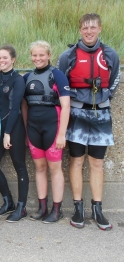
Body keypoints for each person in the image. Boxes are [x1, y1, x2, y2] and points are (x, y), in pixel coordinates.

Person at [57, 13, 120, 230]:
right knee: (76, 161)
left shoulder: (111, 54)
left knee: (97, 163)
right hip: (76, 114)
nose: (89, 31)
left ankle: (98, 209)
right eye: (85, 28)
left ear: (100, 29)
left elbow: (113, 83)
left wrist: (103, 98)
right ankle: (77, 208)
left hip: (100, 114)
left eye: (93, 27)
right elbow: (61, 82)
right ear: (80, 30)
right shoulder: (68, 55)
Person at [22, 40, 70, 224]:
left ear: (49, 55)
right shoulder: (27, 77)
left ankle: (57, 209)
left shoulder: (57, 75)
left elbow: (66, 106)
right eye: (35, 55)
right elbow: (24, 106)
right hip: (33, 128)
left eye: (42, 55)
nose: (38, 58)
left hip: (53, 126)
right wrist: (27, 130)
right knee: (40, 168)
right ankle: (42, 207)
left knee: (54, 168)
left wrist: (62, 134)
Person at [0, 45, 29, 223]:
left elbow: (14, 108)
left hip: (14, 128)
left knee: (19, 165)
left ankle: (21, 207)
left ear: (13, 59)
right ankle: (8, 202)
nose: (1, 61)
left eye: (5, 58)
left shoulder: (18, 80)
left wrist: (8, 133)